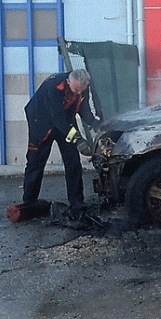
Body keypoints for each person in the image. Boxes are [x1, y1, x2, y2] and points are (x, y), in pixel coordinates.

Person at [21, 69, 100, 219]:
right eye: (75, 90)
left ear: (86, 84)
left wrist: (96, 124)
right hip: (41, 122)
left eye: (80, 91)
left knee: (73, 162)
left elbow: (84, 110)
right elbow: (57, 119)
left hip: (65, 121)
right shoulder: (54, 86)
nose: (77, 94)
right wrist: (78, 139)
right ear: (68, 82)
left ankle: (77, 202)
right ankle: (29, 202)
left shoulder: (83, 87)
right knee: (36, 161)